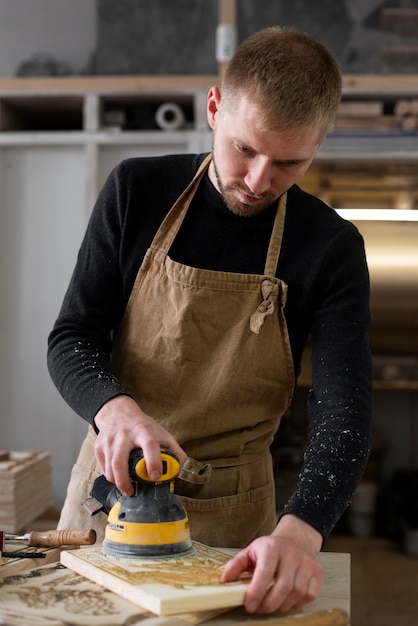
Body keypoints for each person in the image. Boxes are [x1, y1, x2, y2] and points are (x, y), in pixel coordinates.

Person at [48, 26, 373, 614]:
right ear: (214, 107)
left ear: (319, 144)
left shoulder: (331, 247)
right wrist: (114, 410)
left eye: (288, 162)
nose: (257, 182)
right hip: (110, 505)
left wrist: (303, 530)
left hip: (237, 527)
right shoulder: (136, 191)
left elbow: (344, 409)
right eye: (245, 149)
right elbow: (73, 338)